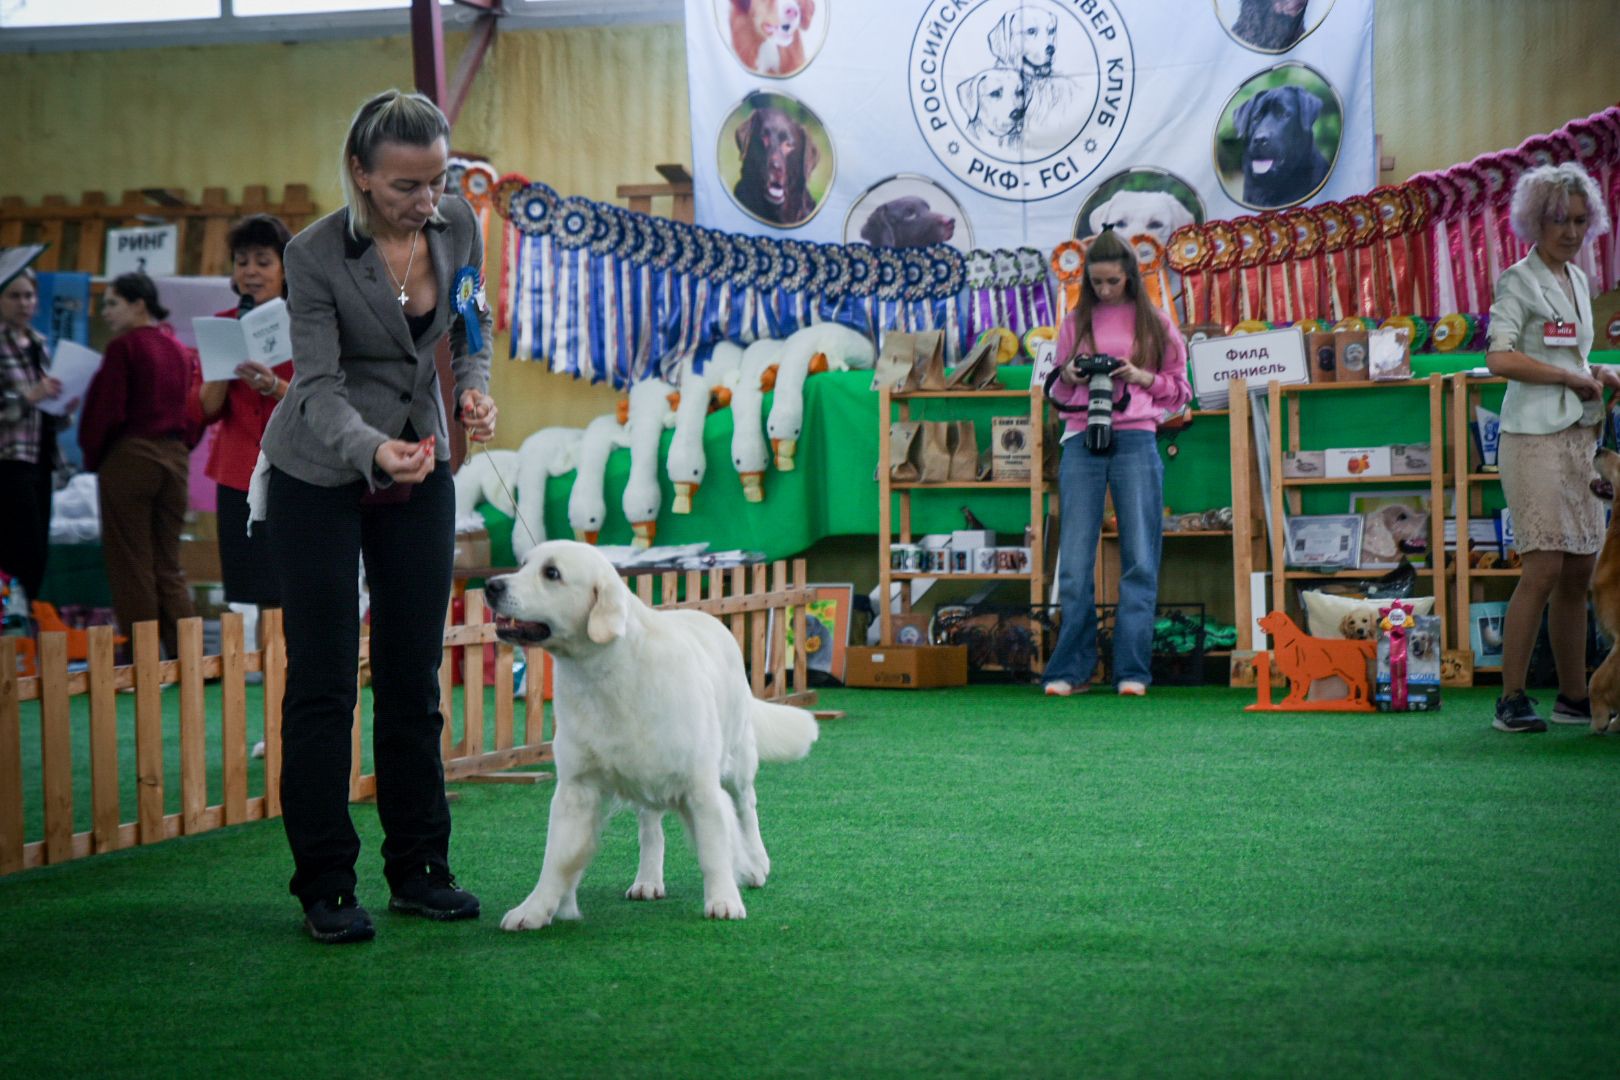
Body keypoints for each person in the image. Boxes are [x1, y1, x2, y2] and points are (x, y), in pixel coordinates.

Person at [259, 89, 496, 944]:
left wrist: (472, 391)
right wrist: (373, 451)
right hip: (319, 469)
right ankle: (325, 882)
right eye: (405, 186)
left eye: (436, 180)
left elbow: (471, 324)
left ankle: (421, 870)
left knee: (411, 677)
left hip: (420, 462)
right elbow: (315, 388)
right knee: (324, 683)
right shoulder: (315, 254)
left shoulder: (460, 226)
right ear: (360, 174)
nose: (426, 201)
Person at [1484, 162, 1616, 734]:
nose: (1570, 232)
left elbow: (1572, 357)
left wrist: (1597, 372)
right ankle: (1511, 698)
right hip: (1532, 439)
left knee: (1580, 571)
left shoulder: (1580, 282)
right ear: (1536, 221)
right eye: (1560, 220)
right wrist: (1567, 379)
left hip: (1580, 440)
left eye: (1580, 221)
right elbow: (1500, 358)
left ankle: (1573, 695)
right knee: (1541, 568)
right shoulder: (1519, 280)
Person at [1041, 228, 1190, 698]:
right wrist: (1067, 374)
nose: (1104, 290)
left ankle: (1132, 670)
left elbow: (1181, 391)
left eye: (1113, 282)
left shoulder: (1157, 323)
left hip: (1137, 438)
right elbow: (1060, 395)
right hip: (1081, 439)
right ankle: (1071, 669)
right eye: (1097, 282)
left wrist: (1141, 376)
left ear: (1130, 275)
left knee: (1140, 559)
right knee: (1075, 561)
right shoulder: (1073, 322)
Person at [78, 273, 198, 660]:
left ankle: (144, 663)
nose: (106, 312)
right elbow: (190, 411)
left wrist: (93, 456)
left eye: (112, 303)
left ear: (138, 304)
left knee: (132, 564)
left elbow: (106, 412)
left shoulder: (124, 348)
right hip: (175, 461)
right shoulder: (179, 349)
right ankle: (190, 659)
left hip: (131, 459)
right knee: (168, 564)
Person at [195, 215, 295, 620]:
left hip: (293, 470)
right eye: (241, 261)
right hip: (238, 473)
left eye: (263, 261)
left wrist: (274, 386)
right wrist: (222, 363)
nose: (250, 271)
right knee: (255, 589)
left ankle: (298, 675)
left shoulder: (307, 321)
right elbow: (204, 409)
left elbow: (324, 403)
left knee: (294, 582)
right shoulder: (221, 324)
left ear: (285, 269)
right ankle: (269, 677)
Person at [0, 268, 67, 606]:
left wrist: (63, 405)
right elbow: (19, 403)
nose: (24, 303)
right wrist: (31, 397)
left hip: (41, 457)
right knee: (21, 548)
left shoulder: (40, 344)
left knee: (39, 549)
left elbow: (47, 404)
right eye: (14, 296)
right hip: (9, 459)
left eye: (29, 296)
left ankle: (21, 622)